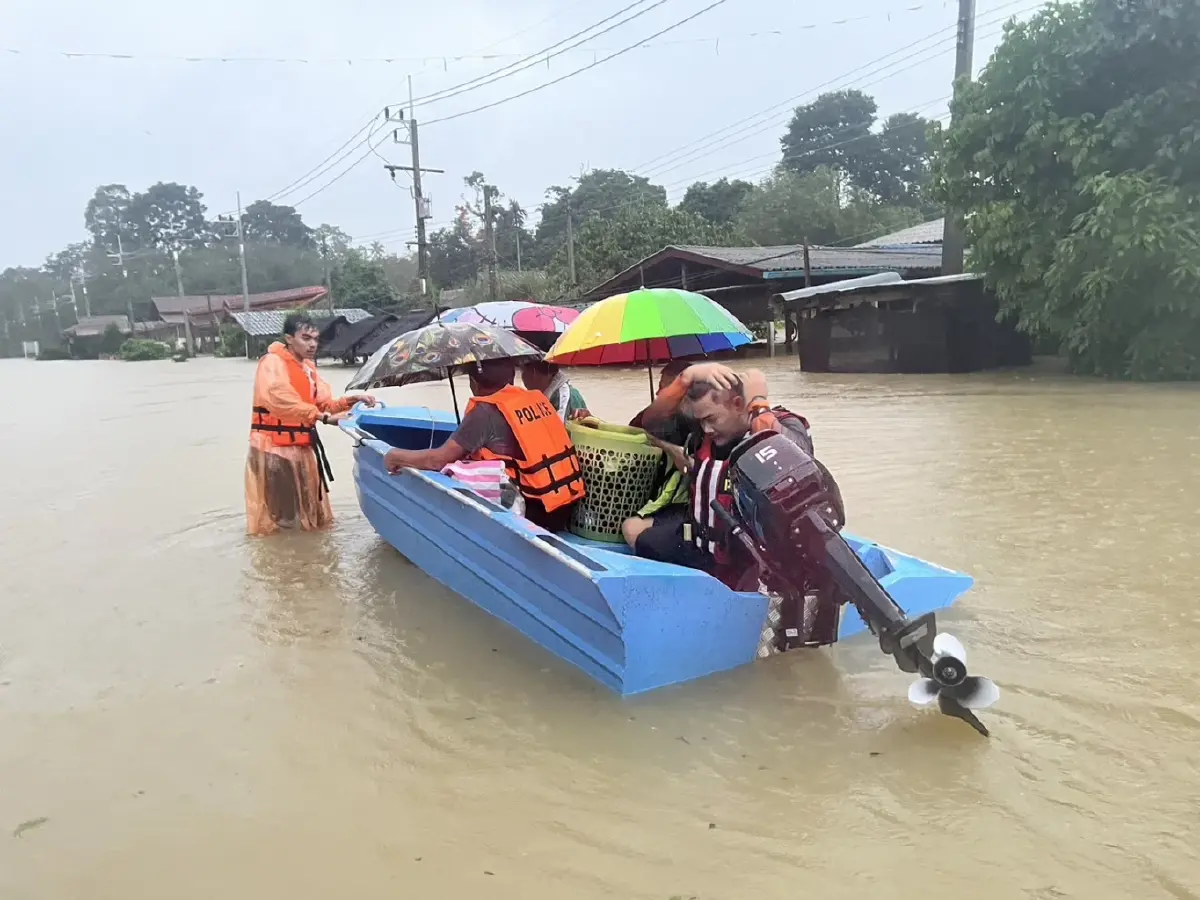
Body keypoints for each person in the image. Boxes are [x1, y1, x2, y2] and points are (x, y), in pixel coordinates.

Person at [620, 361, 778, 589]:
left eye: (712, 419)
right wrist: (686, 378)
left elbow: (784, 447)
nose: (707, 429)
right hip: (699, 545)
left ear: (738, 404)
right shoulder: (702, 431)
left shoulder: (779, 425)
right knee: (633, 528)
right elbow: (651, 423)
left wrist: (759, 405)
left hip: (746, 560)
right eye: (702, 420)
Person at [383, 358, 586, 531]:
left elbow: (437, 460)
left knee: (453, 469)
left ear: (473, 382)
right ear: (512, 377)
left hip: (534, 515)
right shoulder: (535, 398)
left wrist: (395, 456)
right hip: (564, 507)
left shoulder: (484, 411)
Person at [245, 313, 376, 536]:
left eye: (315, 338)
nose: (313, 344)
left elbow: (323, 404)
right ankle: (287, 566)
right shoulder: (272, 363)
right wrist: (322, 417)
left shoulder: (307, 369)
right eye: (306, 338)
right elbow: (280, 400)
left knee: (310, 518)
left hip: (301, 449)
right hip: (274, 451)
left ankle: (307, 561)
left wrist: (349, 401)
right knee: (283, 521)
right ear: (289, 338)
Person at [520, 359, 589, 422]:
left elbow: (560, 429)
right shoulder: (548, 395)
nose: (522, 377)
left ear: (533, 373)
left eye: (523, 371)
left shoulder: (563, 397)